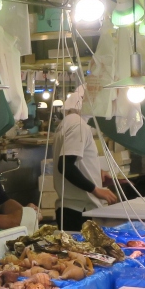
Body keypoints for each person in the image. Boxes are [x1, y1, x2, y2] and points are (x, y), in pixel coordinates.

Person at [51, 86, 118, 231]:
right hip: (78, 210)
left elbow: (74, 160)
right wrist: (95, 189)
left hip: (74, 208)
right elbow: (65, 166)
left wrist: (95, 172)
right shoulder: (78, 125)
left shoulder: (70, 122)